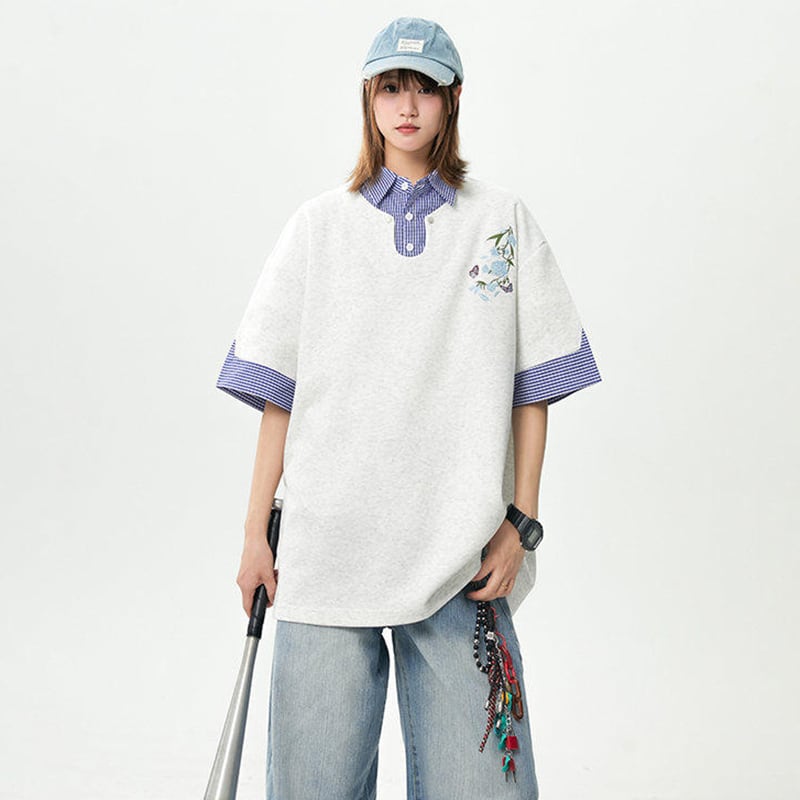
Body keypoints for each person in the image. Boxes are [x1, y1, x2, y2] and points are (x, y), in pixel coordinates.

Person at [216, 16, 602, 800]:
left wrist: (521, 525)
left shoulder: (500, 222)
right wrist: (256, 533)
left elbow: (534, 387)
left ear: (453, 99)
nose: (407, 105)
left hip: (461, 558)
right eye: (392, 87)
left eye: (424, 88)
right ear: (369, 98)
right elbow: (279, 396)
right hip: (327, 553)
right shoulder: (319, 227)